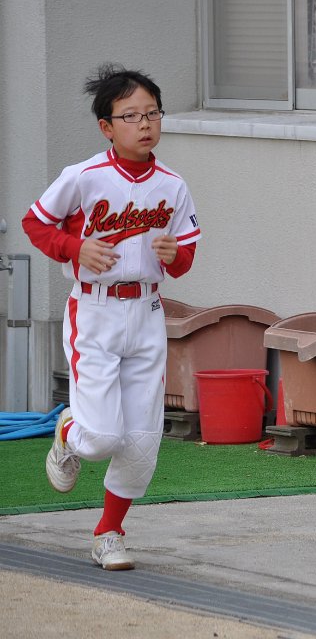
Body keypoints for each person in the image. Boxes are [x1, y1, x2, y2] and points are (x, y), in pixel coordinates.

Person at [22, 63, 201, 570]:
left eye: (152, 113)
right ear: (107, 126)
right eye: (131, 116)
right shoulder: (83, 177)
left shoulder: (173, 185)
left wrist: (175, 256)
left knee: (142, 439)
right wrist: (75, 248)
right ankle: (68, 432)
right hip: (94, 310)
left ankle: (109, 533)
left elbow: (186, 256)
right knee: (101, 437)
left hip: (146, 311)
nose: (144, 124)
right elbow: (36, 222)